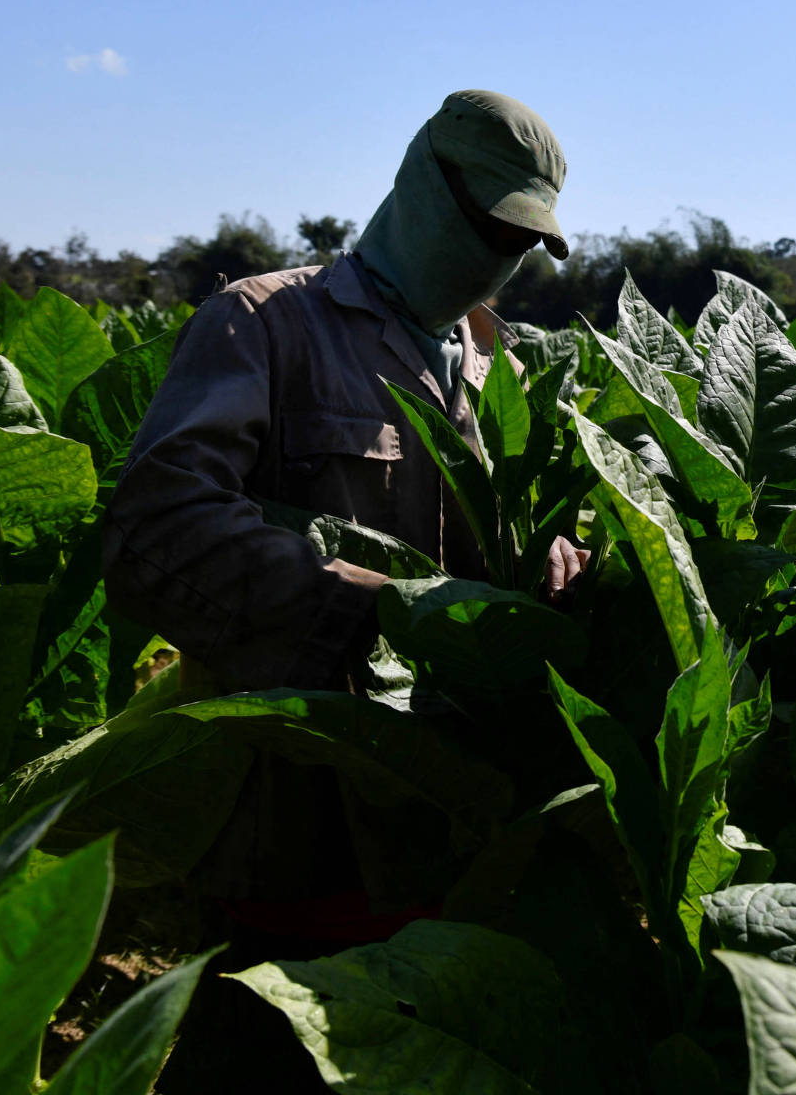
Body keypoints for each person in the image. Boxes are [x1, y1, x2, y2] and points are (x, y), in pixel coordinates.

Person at [104, 88, 584, 1094]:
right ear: (421, 185)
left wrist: (559, 557)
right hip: (299, 828)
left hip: (452, 838)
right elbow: (157, 533)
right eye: (487, 225)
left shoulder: (508, 369)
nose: (499, 256)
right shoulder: (268, 324)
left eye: (522, 240)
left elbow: (522, 539)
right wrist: (375, 601)